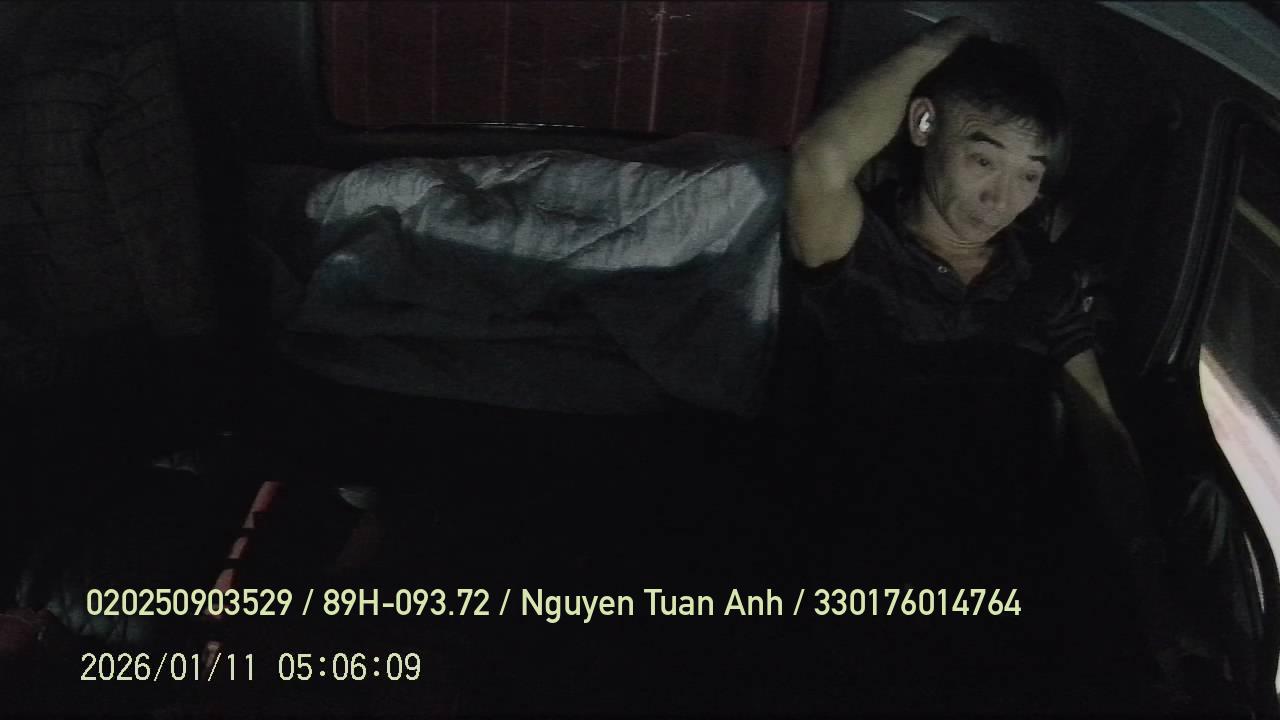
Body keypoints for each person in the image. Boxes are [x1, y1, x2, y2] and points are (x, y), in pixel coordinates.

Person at [782, 16, 1205, 711]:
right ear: (924, 126)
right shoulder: (858, 243)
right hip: (851, 560)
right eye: (984, 161)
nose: (1002, 199)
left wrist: (1148, 582)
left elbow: (1101, 431)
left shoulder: (1043, 278)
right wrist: (941, 41)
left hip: (995, 573)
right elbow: (820, 156)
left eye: (1029, 176)